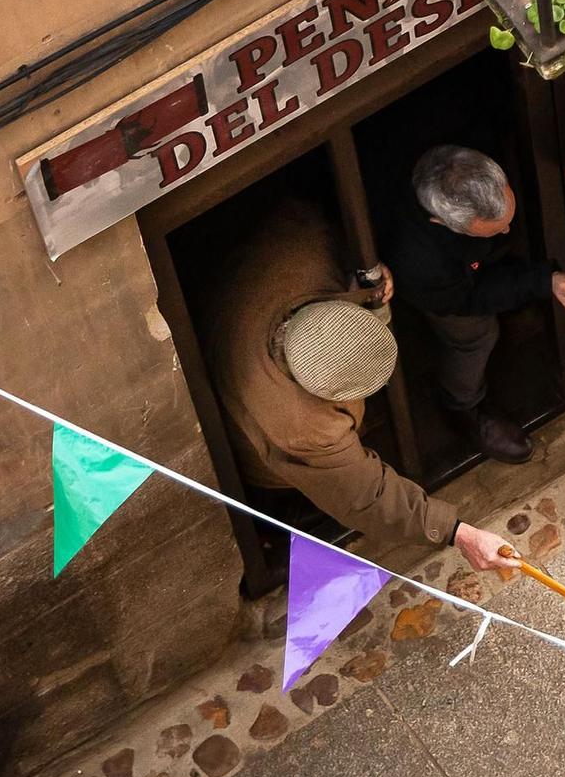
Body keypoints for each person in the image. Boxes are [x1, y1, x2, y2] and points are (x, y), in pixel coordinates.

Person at [206, 202, 518, 575]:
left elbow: (327, 234)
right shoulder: (303, 426)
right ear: (327, 396)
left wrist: (367, 288)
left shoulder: (301, 246)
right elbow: (367, 496)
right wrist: (460, 534)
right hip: (253, 448)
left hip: (231, 308)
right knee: (312, 493)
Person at [385, 144, 565, 464]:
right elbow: (468, 298)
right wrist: (544, 281)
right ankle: (462, 406)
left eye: (507, 217)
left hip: (477, 259)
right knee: (475, 335)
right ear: (440, 221)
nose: (506, 228)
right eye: (493, 229)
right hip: (448, 287)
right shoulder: (418, 259)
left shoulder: (482, 144)